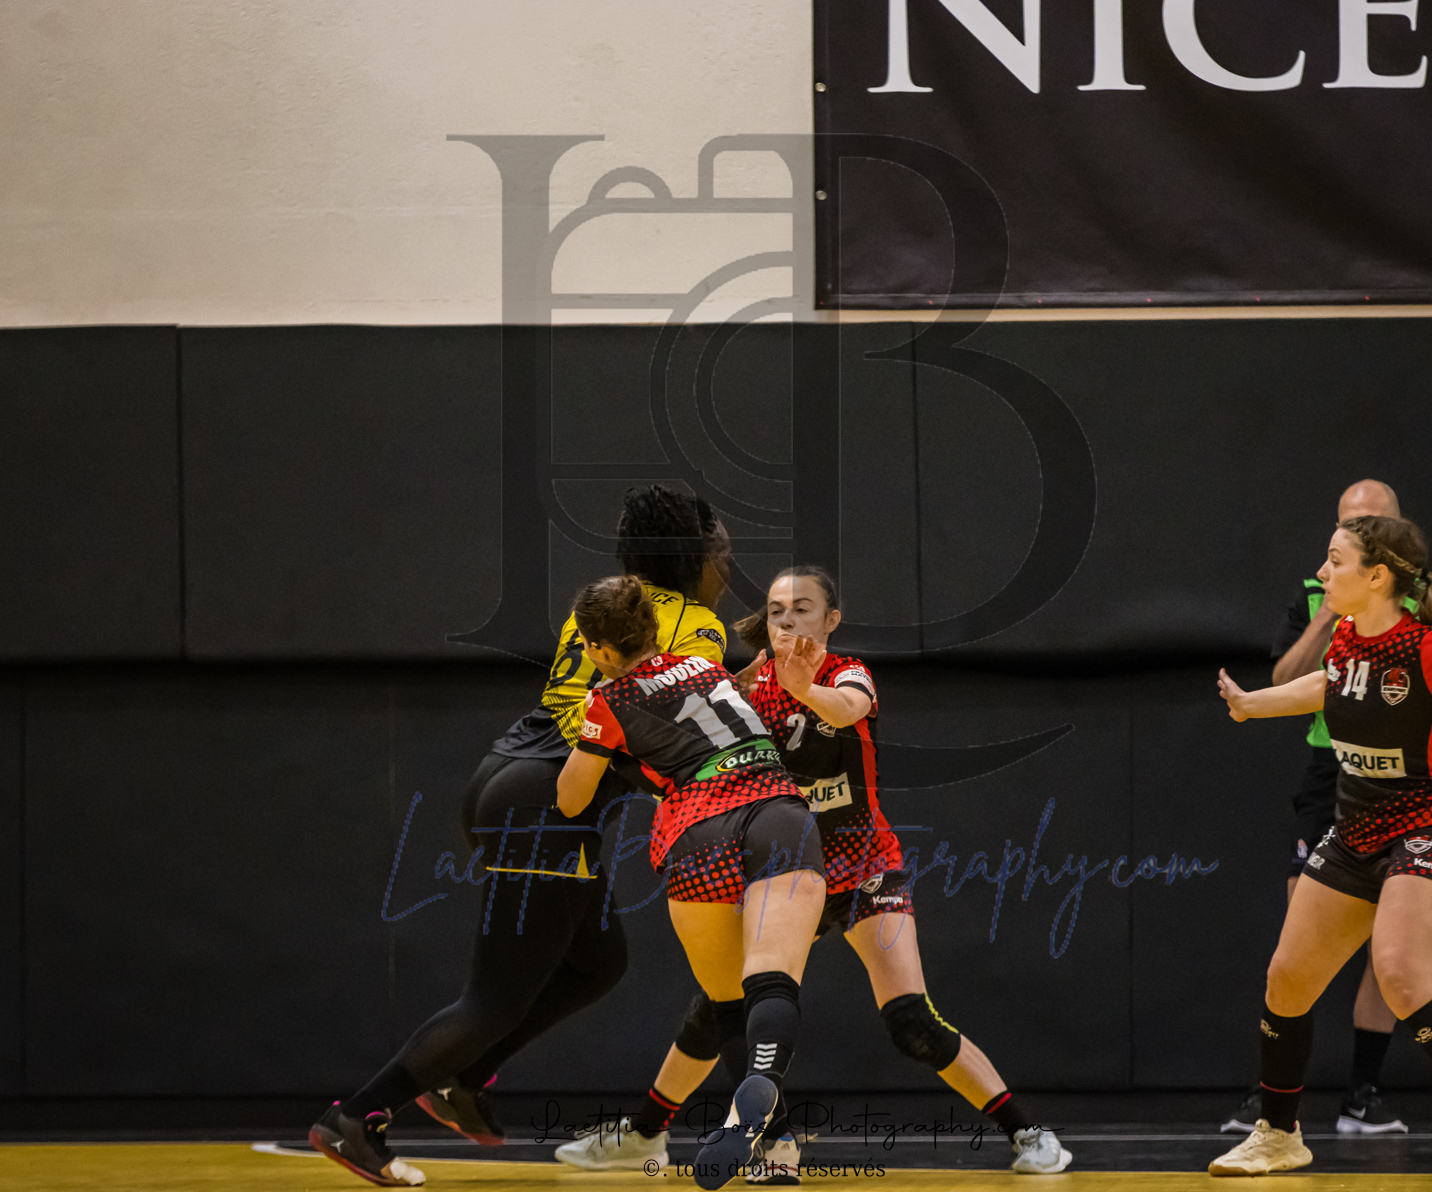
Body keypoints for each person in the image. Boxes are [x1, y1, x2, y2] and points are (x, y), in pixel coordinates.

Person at [555, 567, 1070, 1179]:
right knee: (721, 1007)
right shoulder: (742, 688)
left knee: (910, 1020)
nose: (787, 619)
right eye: (776, 609)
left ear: (831, 620)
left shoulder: (846, 674)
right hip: (784, 859)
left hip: (861, 864)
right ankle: (652, 1133)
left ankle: (1028, 1132)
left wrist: (804, 689)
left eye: (802, 608)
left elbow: (848, 710)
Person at [308, 486, 732, 1188]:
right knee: (494, 999)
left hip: (501, 775)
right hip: (546, 806)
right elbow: (671, 731)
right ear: (698, 557)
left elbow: (584, 707)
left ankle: (463, 1076)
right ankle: (355, 1119)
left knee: (599, 962)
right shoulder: (698, 627)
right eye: (722, 552)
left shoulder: (606, 605)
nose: (728, 565)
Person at [1209, 515, 1432, 1180]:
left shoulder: (1429, 649)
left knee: (1401, 974)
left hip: (1429, 830)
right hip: (1356, 833)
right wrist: (1254, 704)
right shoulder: (1347, 636)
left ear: (1377, 576)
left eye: (1335, 560)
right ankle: (1279, 1135)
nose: (1322, 573)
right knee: (1287, 979)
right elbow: (1326, 685)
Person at [557, 575, 829, 1192]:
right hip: (777, 811)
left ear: (598, 649)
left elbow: (571, 800)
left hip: (697, 831)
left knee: (727, 999)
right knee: (772, 982)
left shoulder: (607, 700)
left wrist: (600, 737)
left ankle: (775, 1141)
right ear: (654, 629)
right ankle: (770, 1122)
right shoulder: (706, 668)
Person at [1223, 480, 1432, 1137]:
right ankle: (1273, 1109)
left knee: (1394, 957)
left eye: (1370, 525)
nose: (1351, 540)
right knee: (1299, 950)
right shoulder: (1322, 591)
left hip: (1410, 785)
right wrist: (1333, 614)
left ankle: (1368, 1094)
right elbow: (1290, 681)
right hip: (1332, 774)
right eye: (1344, 529)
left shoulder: (1421, 607)